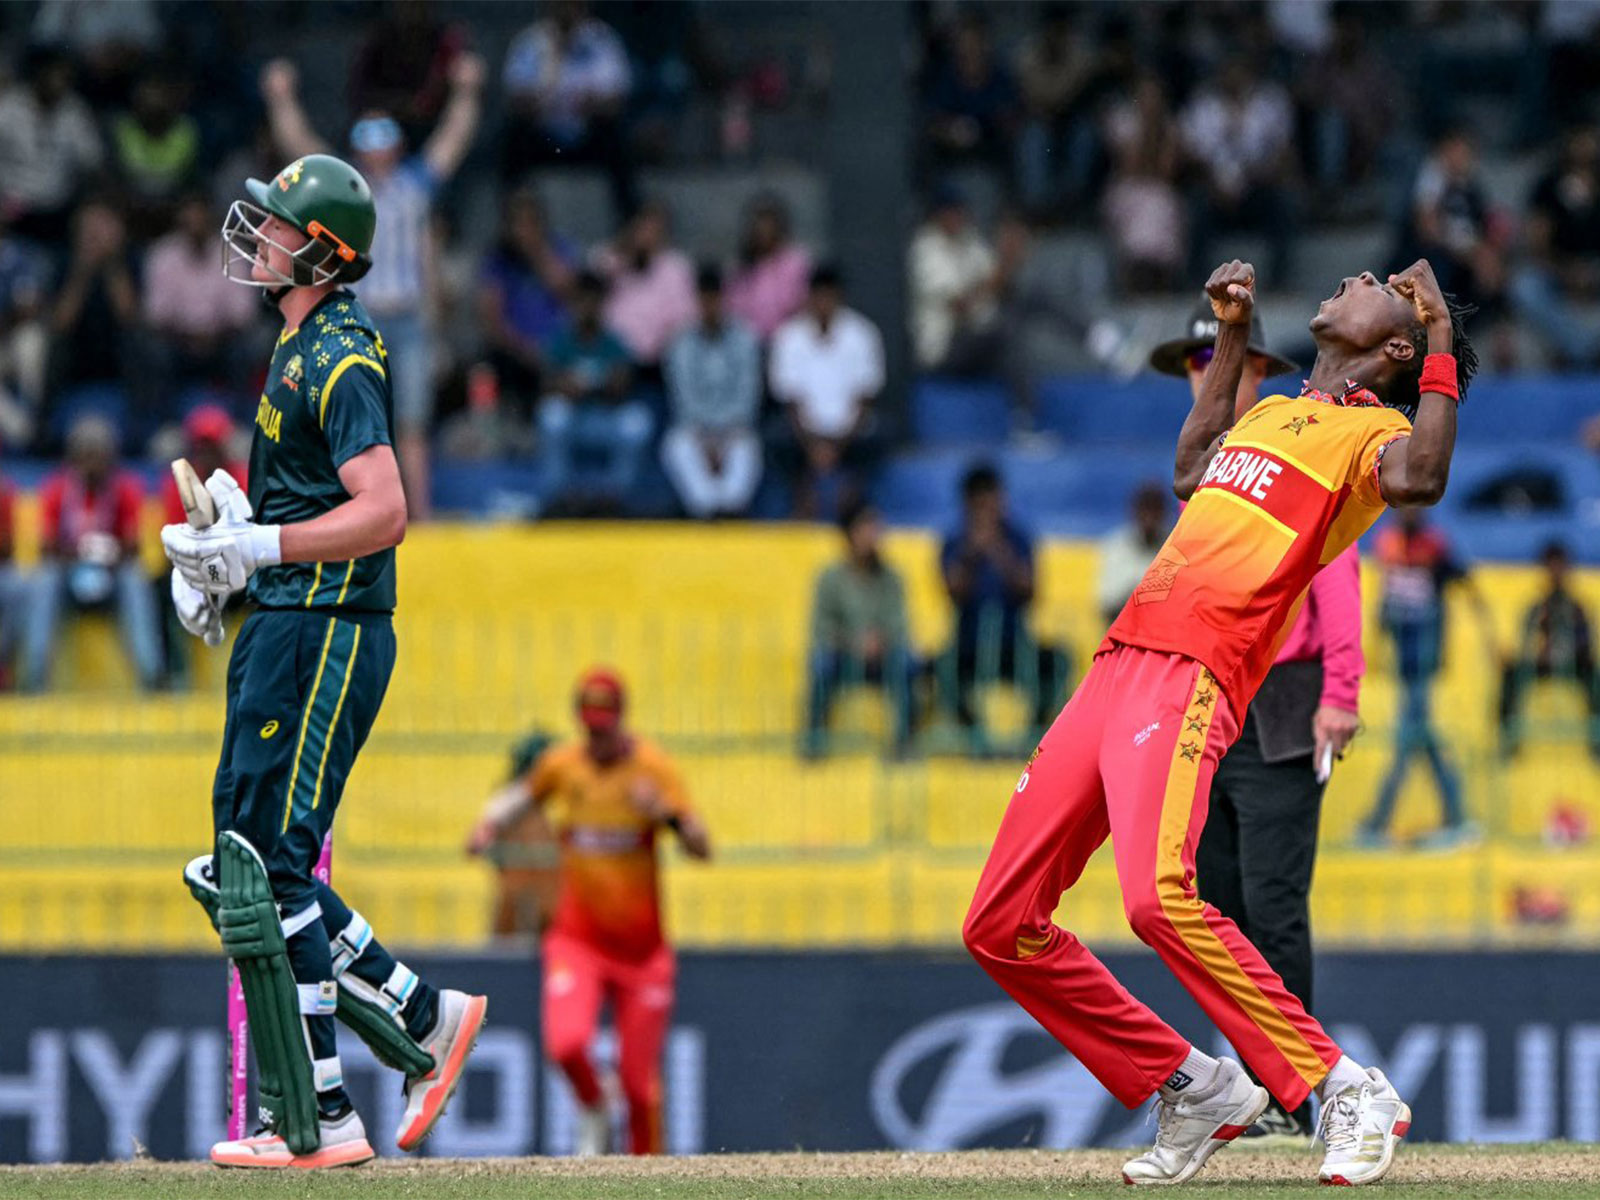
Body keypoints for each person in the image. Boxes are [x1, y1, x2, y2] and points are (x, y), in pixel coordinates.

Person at [964, 258, 1477, 1187]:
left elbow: (1426, 479)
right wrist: (1233, 331)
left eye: (1375, 284)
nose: (1354, 276)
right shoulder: (1273, 413)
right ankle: (1193, 1085)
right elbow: (1191, 470)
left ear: (1397, 347)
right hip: (1118, 662)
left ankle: (1345, 1087)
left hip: (1195, 671)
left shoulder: (1375, 434)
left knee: (1158, 896)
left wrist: (1441, 332)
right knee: (999, 923)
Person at [161, 154, 488, 1168]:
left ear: (322, 251)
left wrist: (259, 550)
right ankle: (423, 1019)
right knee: (248, 865)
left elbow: (385, 511)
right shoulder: (299, 343)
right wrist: (229, 552)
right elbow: (310, 496)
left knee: (272, 868)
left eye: (274, 224)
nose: (256, 235)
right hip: (289, 621)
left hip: (327, 626)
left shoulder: (341, 354)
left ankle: (320, 1116)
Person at [1151, 300, 1364, 1140]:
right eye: (1198, 365)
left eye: (1222, 363)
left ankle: (1291, 1094)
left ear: (1263, 373)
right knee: (1219, 909)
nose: (1204, 376)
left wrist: (1341, 689)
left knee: (1271, 906)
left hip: (1280, 702)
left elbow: (1334, 567)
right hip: (1214, 701)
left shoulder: (1293, 446)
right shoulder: (1209, 465)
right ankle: (1261, 1087)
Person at [466, 668, 711, 1155]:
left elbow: (701, 846)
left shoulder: (653, 770)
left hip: (642, 954)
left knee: (640, 1089)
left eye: (604, 729)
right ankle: (595, 1104)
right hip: (578, 941)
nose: (596, 740)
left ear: (621, 719)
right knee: (566, 1044)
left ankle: (648, 1180)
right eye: (590, 729)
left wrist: (665, 814)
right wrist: (488, 825)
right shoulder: (564, 766)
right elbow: (521, 796)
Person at [259, 52, 486, 521]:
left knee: (413, 425)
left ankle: (419, 517)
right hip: (358, 319)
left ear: (399, 144)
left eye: (384, 136)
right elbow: (301, 149)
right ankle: (348, 515)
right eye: (368, 136)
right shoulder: (346, 192)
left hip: (409, 320)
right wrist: (281, 99)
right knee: (352, 423)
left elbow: (453, 140)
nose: (377, 146)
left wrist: (466, 92)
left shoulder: (414, 186)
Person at [1358, 509, 1483, 847]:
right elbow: (1386, 598)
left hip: (1424, 659)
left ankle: (1377, 821)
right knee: (1422, 737)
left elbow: (1463, 581)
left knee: (1408, 738)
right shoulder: (1387, 543)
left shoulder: (1435, 545)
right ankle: (1457, 816)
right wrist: (1379, 644)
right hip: (1403, 659)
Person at [21, 414, 162, 692]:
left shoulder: (126, 488)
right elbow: (45, 547)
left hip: (112, 574)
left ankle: (151, 677)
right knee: (43, 581)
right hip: (69, 574)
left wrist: (106, 552)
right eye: (85, 455)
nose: (92, 463)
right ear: (73, 457)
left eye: (98, 455)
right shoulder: (57, 488)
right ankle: (34, 679)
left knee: (135, 581)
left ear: (111, 457)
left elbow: (134, 547)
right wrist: (81, 552)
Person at [939, 463, 1069, 746]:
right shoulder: (954, 541)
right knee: (939, 669)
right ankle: (974, 736)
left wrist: (998, 550)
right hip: (969, 645)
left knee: (1059, 661)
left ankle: (1032, 736)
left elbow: (1029, 590)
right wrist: (972, 553)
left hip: (1014, 645)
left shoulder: (1018, 538)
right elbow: (952, 591)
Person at [769, 265, 885, 519]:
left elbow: (865, 399)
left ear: (839, 297)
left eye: (829, 296)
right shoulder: (789, 337)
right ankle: (802, 504)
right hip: (805, 432)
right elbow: (790, 402)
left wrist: (838, 446)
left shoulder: (862, 334)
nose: (824, 303)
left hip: (849, 431)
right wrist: (813, 446)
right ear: (809, 297)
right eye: (818, 296)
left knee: (877, 437)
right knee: (776, 440)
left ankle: (852, 505)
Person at [501, 1, 635, 219]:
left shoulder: (602, 40)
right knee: (514, 137)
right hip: (545, 138)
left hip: (586, 136)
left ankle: (629, 219)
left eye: (572, 5)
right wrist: (545, 97)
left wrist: (588, 103)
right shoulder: (530, 42)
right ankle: (511, 218)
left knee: (617, 138)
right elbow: (515, 99)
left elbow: (616, 99)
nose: (566, 11)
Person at [805, 501, 915, 759]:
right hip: (843, 655)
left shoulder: (891, 578)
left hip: (882, 658)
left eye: (875, 528)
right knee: (821, 663)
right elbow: (821, 628)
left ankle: (904, 742)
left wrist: (880, 641)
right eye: (865, 528)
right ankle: (814, 742)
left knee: (906, 662)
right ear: (849, 534)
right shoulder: (830, 578)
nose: (872, 535)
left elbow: (899, 625)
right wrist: (853, 642)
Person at [536, 269, 649, 513]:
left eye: (593, 301)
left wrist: (596, 385)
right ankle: (559, 498)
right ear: (574, 303)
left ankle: (614, 499)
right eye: (582, 300)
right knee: (551, 415)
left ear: (602, 303)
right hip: (574, 419)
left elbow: (622, 385)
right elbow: (548, 383)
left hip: (604, 418)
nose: (588, 307)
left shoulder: (614, 341)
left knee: (637, 422)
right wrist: (565, 386)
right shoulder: (562, 340)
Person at [1180, 58, 1299, 288]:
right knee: (1195, 204)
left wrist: (1257, 176)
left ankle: (1279, 279)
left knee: (1283, 203)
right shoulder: (1203, 106)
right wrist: (1213, 182)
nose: (1234, 78)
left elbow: (1283, 152)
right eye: (1229, 72)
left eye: (1240, 72)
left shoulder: (1268, 103)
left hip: (1256, 186)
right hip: (1214, 190)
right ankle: (1196, 279)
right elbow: (1190, 156)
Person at [661, 264, 762, 519]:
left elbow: (747, 396)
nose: (710, 306)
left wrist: (723, 437)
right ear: (697, 300)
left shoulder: (744, 338)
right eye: (705, 299)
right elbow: (683, 398)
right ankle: (705, 512)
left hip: (734, 429)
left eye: (715, 298)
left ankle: (730, 511)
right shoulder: (681, 341)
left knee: (747, 448)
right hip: (695, 429)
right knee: (676, 446)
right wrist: (705, 439)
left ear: (723, 299)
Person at [143, 189, 258, 406]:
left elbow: (243, 314)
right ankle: (164, 417)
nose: (194, 223)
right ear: (179, 220)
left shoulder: (234, 253)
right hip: (178, 342)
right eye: (189, 217)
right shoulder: (162, 255)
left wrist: (213, 337)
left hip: (223, 341)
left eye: (199, 216)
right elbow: (156, 315)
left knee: (250, 346)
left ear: (211, 218)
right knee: (154, 351)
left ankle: (240, 413)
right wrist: (189, 337)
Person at [477, 188, 578, 420]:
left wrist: (537, 253)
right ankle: (489, 425)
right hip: (514, 353)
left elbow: (571, 295)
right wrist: (523, 348)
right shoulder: (498, 260)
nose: (522, 230)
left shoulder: (560, 249)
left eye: (529, 223)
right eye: (517, 223)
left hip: (559, 351)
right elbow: (491, 320)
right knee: (483, 372)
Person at [1509, 124, 1600, 367]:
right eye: (1579, 139)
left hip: (1595, 268)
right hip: (1557, 269)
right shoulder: (1548, 185)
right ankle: (1586, 350)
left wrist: (1587, 273)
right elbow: (1537, 244)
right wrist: (1566, 271)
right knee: (1524, 287)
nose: (1585, 146)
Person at [1500, 540, 1600, 758]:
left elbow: (1587, 644)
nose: (1555, 572)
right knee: (1510, 674)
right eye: (1551, 566)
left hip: (1575, 664)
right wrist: (1536, 654)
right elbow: (1526, 641)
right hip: (1542, 663)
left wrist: (1567, 652)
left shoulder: (1577, 607)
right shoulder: (1537, 607)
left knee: (1596, 677)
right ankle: (1509, 738)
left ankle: (1596, 742)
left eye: (1560, 566)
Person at [0, 43, 103, 248]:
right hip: (11, 207)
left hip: (58, 210)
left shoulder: (75, 111)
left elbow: (92, 161)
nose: (60, 82)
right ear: (38, 74)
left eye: (65, 77)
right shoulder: (9, 106)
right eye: (55, 75)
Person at [590, 200, 696, 384]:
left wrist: (658, 349)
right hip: (611, 359)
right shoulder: (616, 260)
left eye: (655, 227)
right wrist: (626, 250)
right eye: (643, 225)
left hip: (657, 363)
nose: (648, 233)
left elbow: (685, 319)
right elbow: (593, 271)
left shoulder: (676, 266)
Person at [908, 184, 1003, 374]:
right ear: (937, 214)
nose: (956, 217)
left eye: (959, 211)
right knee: (1005, 335)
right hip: (941, 347)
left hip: (974, 337)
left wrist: (992, 281)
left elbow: (999, 278)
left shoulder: (970, 240)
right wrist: (989, 283)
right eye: (950, 211)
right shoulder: (925, 249)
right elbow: (960, 305)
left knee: (1016, 329)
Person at [725, 193, 811, 342]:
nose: (764, 231)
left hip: (789, 342)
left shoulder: (797, 263)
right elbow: (733, 313)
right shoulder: (740, 269)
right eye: (759, 225)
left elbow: (805, 307)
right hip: (750, 344)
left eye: (768, 225)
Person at [1097, 483, 1171, 626]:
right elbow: (1107, 604)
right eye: (1145, 509)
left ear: (1164, 513)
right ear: (1135, 511)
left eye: (1155, 509)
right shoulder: (1115, 546)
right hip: (1123, 630)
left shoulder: (1174, 546)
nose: (1150, 517)